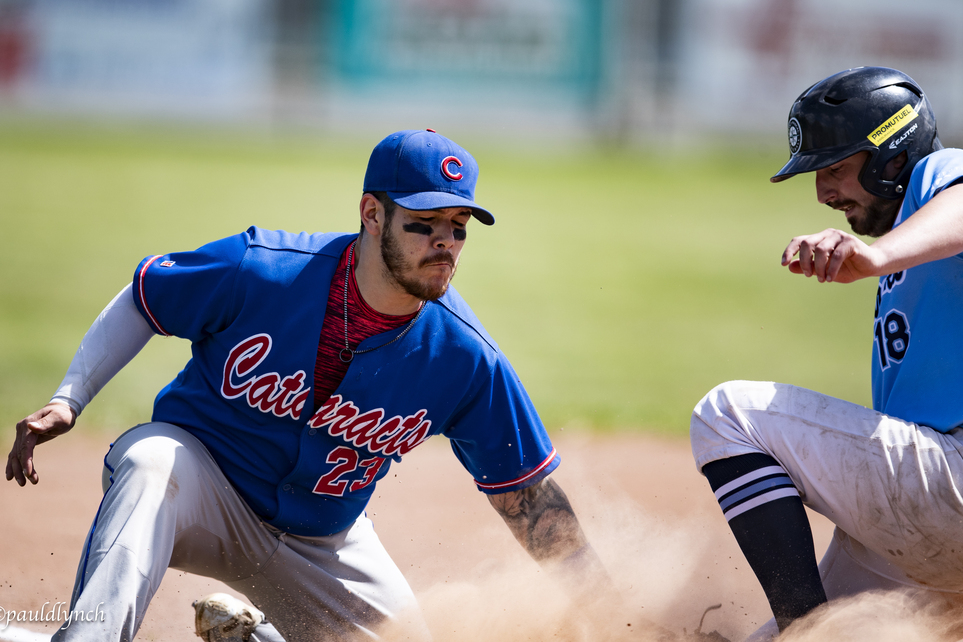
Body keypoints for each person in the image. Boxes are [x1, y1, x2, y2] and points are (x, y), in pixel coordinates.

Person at [6, 129, 610, 642]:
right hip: (199, 487)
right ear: (372, 213)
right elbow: (146, 298)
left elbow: (528, 500)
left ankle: (255, 637)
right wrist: (69, 398)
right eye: (424, 224)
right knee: (148, 463)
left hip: (324, 540)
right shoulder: (262, 268)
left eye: (458, 227)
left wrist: (612, 616)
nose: (444, 243)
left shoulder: (465, 357)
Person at [690, 66, 963, 638]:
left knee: (728, 415)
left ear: (893, 158)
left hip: (952, 482)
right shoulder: (913, 223)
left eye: (836, 168)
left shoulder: (941, 177)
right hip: (932, 519)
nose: (823, 192)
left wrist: (878, 255)